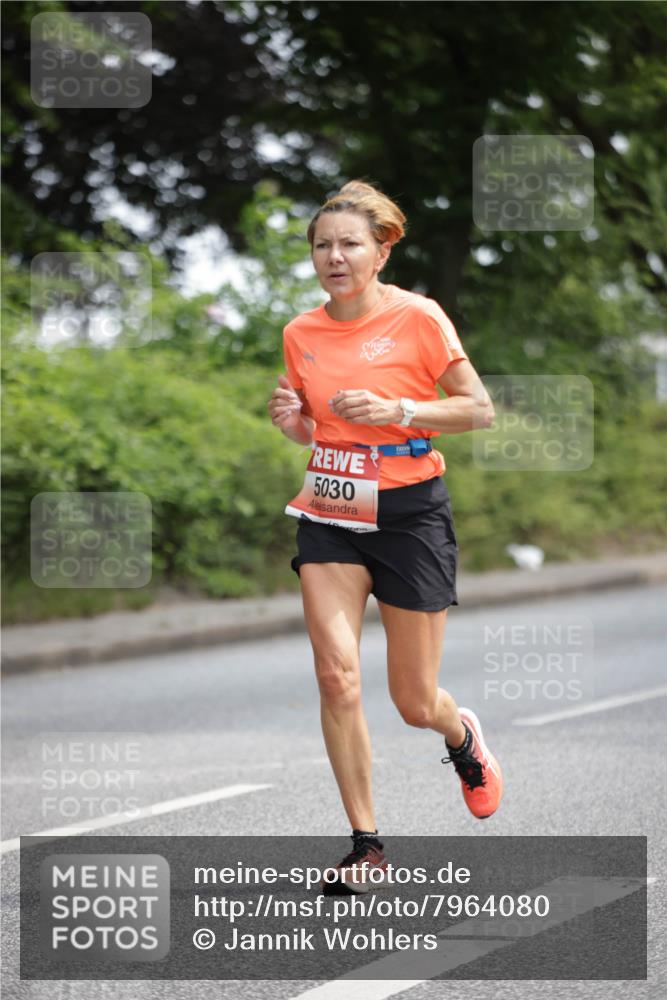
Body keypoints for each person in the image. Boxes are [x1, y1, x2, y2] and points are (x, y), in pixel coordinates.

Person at [268, 180, 503, 894]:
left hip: (409, 514)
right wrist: (294, 426)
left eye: (348, 244)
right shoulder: (300, 333)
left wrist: (398, 406)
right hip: (333, 507)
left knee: (411, 701)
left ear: (381, 250)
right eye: (321, 245)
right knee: (336, 676)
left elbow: (479, 411)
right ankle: (366, 845)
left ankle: (458, 735)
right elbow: (319, 425)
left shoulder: (418, 318)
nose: (333, 257)